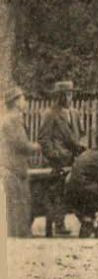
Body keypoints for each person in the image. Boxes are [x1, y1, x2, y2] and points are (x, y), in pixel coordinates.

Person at [36, 80, 83, 237]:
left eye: (71, 94)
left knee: (76, 188)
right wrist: (54, 156)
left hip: (74, 159)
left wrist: (81, 149)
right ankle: (59, 223)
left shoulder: (75, 113)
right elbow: (43, 139)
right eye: (66, 95)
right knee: (58, 191)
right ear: (59, 97)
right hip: (57, 161)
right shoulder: (50, 114)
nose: (69, 98)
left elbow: (80, 135)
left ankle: (86, 221)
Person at [3, 87, 41, 239]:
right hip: (14, 167)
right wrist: (36, 146)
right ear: (16, 101)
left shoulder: (9, 118)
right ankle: (19, 236)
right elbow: (21, 145)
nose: (25, 102)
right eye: (23, 99)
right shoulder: (13, 119)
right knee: (19, 204)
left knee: (16, 204)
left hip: (11, 166)